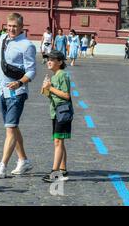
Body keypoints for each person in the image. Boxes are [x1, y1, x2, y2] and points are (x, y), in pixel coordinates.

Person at [0, 13, 36, 179]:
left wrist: (20, 83)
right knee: (12, 126)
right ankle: (23, 160)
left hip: (17, 92)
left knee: (10, 128)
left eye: (14, 27)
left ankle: (2, 166)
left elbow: (32, 70)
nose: (11, 29)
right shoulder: (3, 38)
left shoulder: (27, 45)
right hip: (2, 90)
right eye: (9, 26)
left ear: (21, 27)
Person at [41, 50, 72, 183]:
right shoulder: (53, 76)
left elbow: (66, 95)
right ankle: (63, 170)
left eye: (52, 59)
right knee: (59, 141)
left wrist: (51, 88)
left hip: (63, 111)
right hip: (55, 111)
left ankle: (55, 173)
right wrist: (45, 88)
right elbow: (49, 95)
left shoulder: (63, 75)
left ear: (60, 62)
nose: (49, 61)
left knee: (58, 141)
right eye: (48, 59)